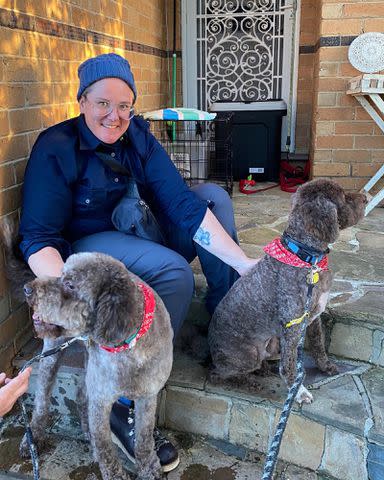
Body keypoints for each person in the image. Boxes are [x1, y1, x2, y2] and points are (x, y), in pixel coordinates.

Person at [18, 53, 259, 472]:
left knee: (214, 199)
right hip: (92, 244)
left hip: (139, 227)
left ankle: (228, 321)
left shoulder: (140, 138)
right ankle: (125, 402)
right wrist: (67, 294)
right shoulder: (56, 148)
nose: (114, 116)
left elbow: (182, 204)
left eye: (124, 105)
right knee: (173, 271)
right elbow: (37, 237)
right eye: (102, 104)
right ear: (82, 101)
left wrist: (243, 266)